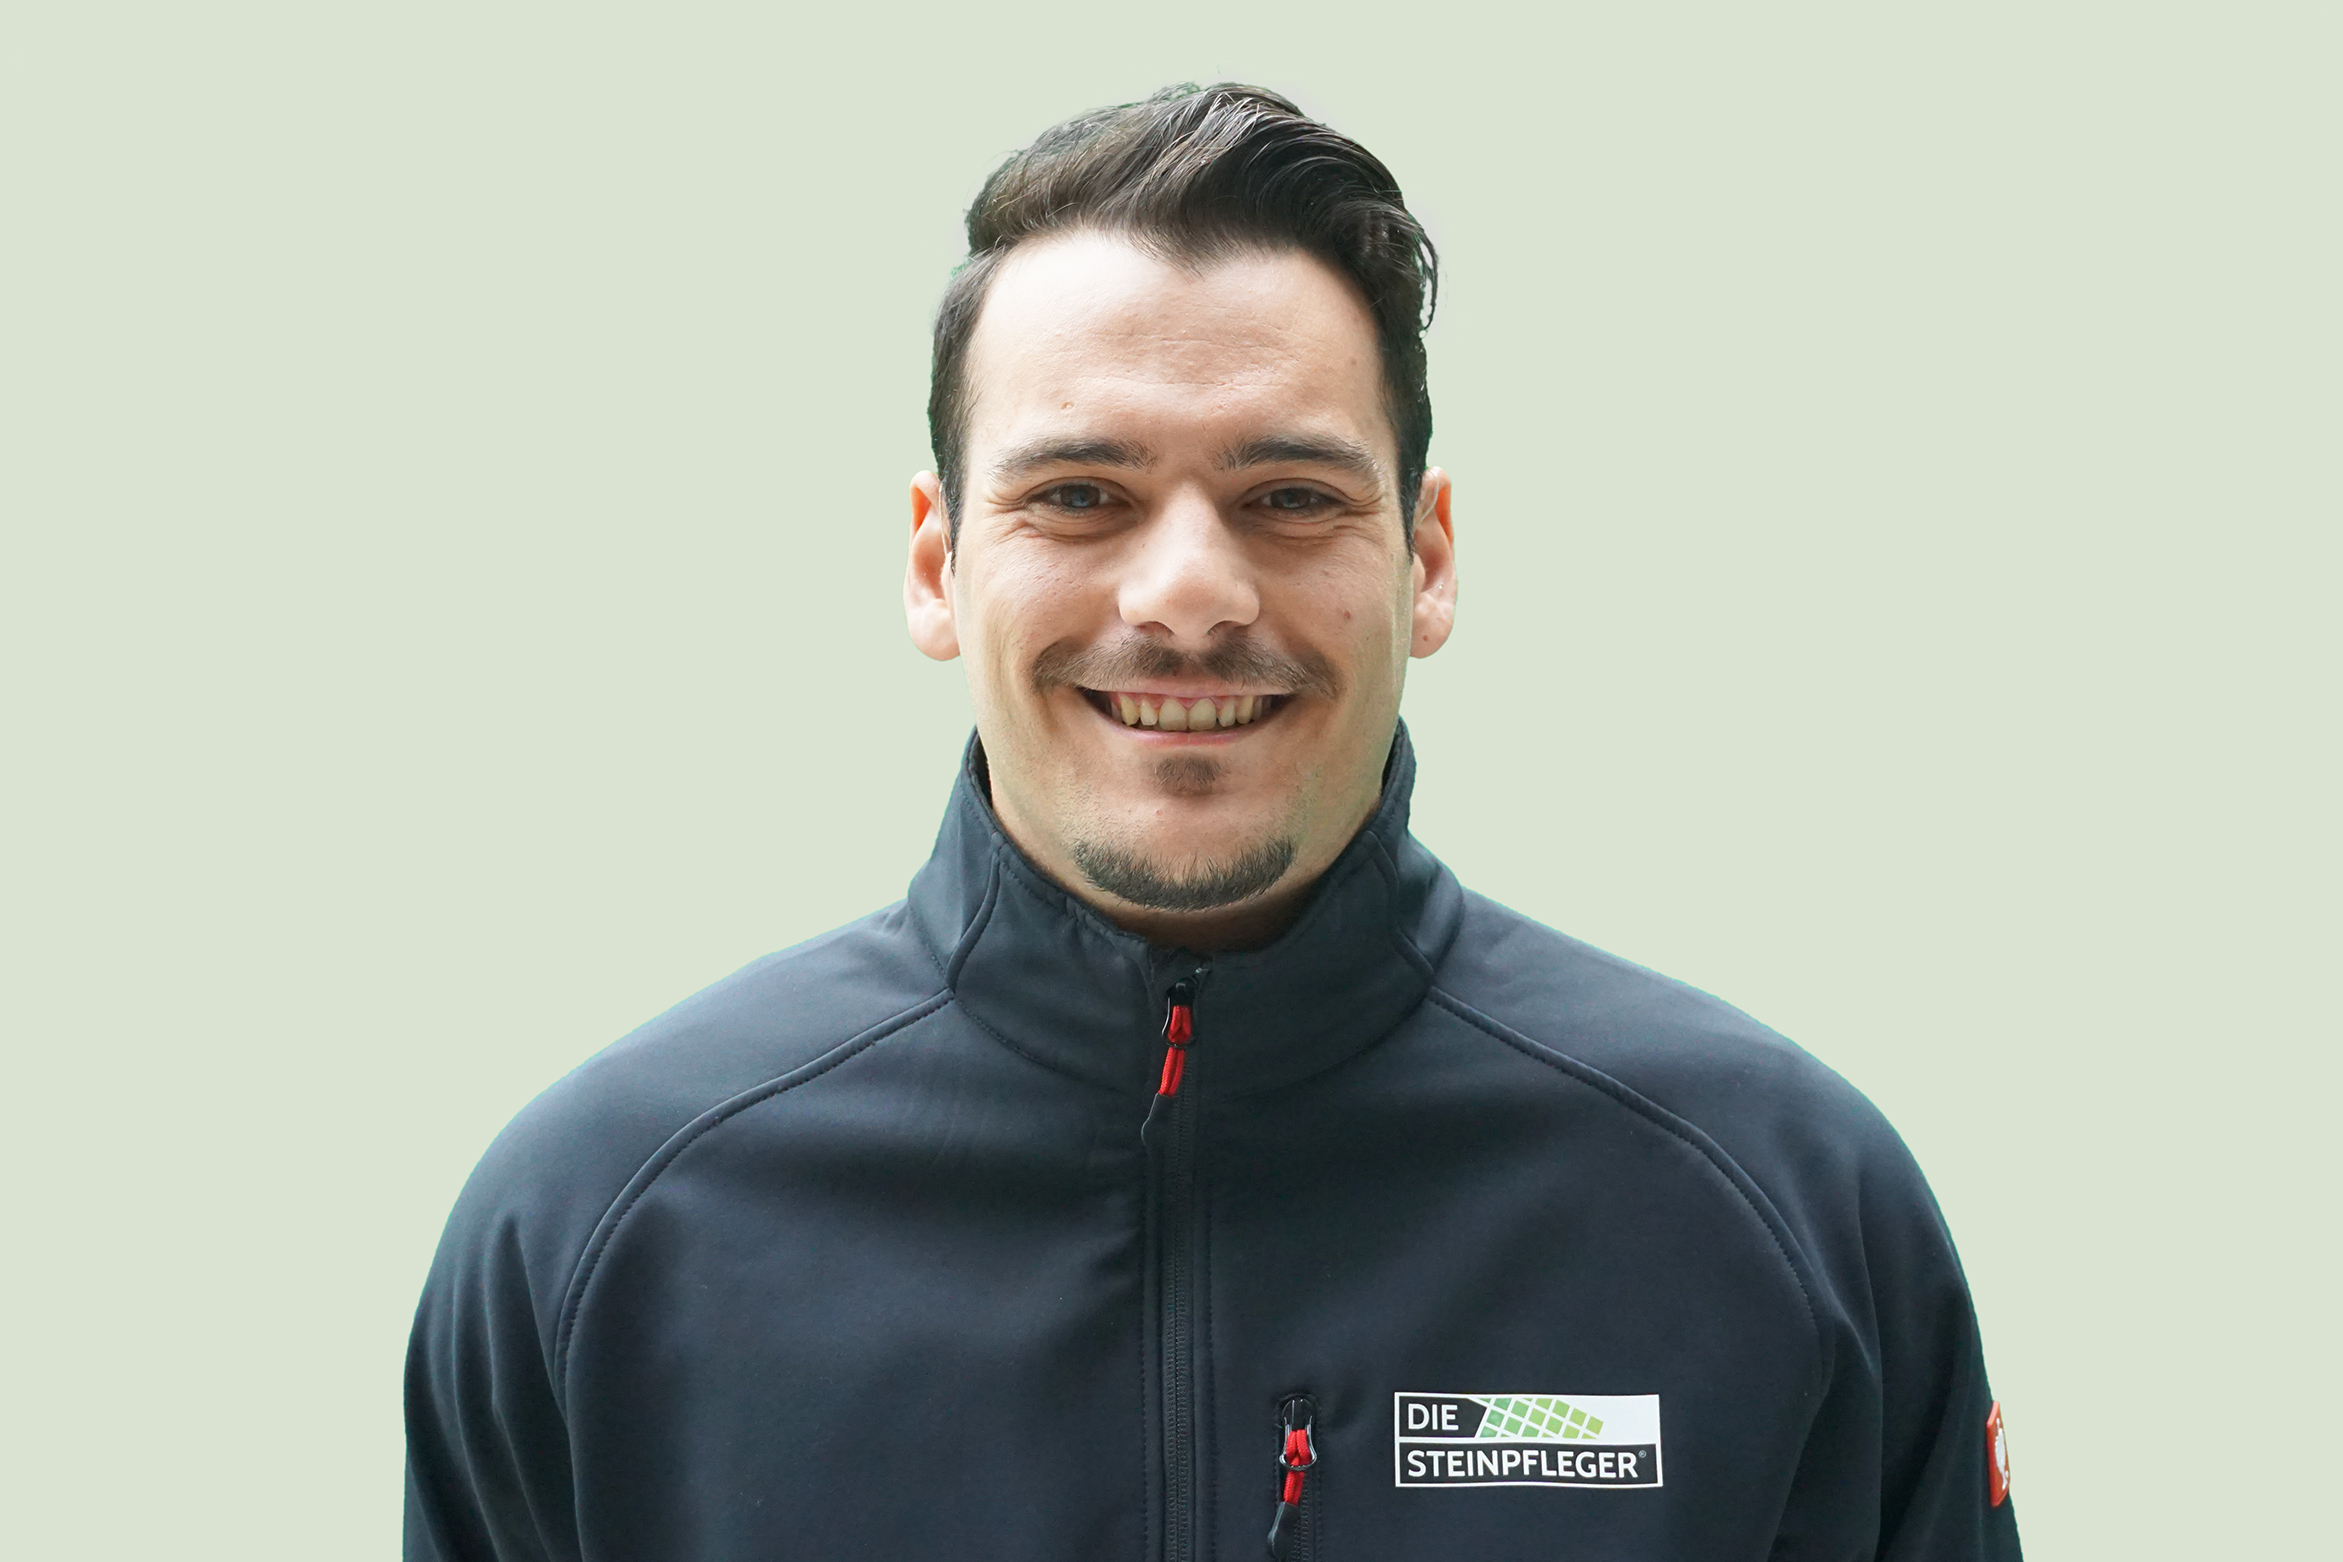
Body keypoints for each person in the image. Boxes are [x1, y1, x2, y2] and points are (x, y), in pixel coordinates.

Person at [404, 84, 2023, 1561]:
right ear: (938, 562)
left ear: (1428, 558)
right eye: (1080, 495)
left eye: (1290, 497)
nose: (1187, 593)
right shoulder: (606, 1227)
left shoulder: (1780, 1206)